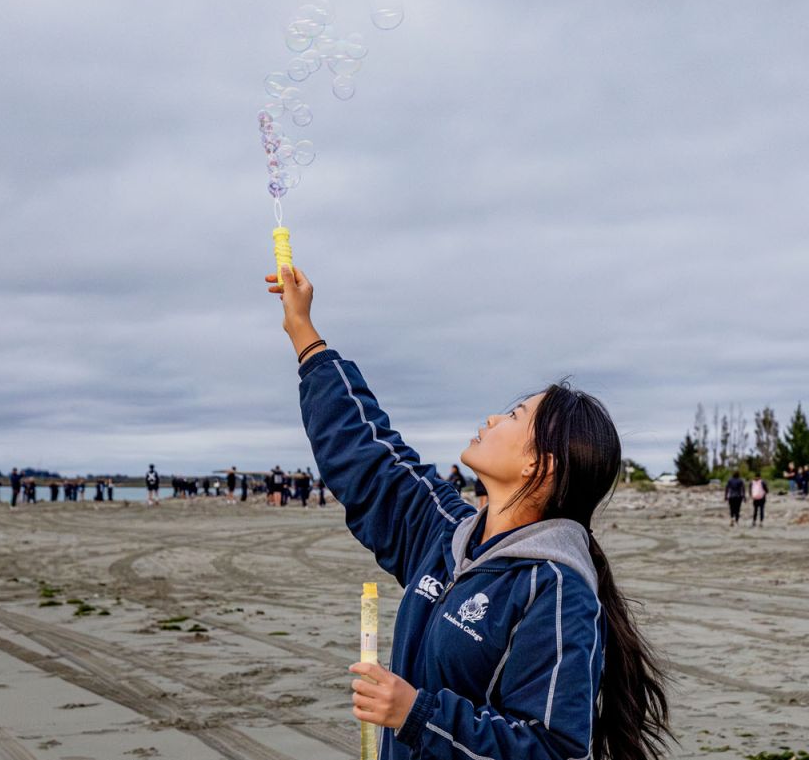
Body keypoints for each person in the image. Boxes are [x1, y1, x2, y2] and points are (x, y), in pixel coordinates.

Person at [267, 264, 671, 760]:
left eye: (516, 416)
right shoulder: (447, 537)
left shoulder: (556, 590)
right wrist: (304, 333)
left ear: (537, 464)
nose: (494, 418)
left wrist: (417, 715)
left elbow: (555, 749)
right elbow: (369, 458)